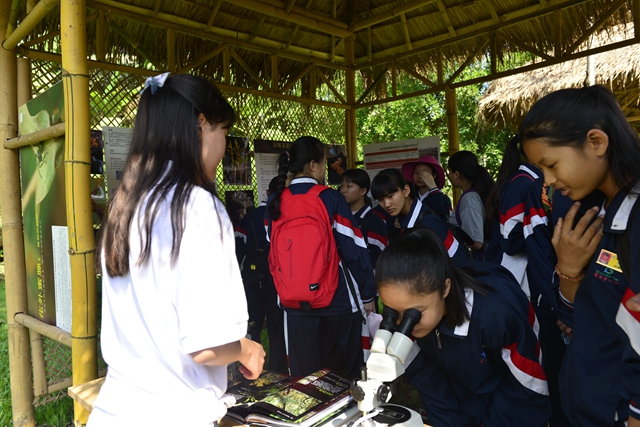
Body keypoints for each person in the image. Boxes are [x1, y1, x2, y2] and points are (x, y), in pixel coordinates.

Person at [90, 74, 265, 426]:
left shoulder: (126, 206)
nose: (223, 148)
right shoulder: (196, 206)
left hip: (113, 410)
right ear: (201, 126)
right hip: (172, 414)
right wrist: (248, 348)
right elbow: (207, 346)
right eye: (223, 132)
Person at [521, 84, 640, 427]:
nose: (548, 180)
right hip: (589, 403)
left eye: (551, 164)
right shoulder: (589, 211)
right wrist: (569, 270)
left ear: (596, 142)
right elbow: (585, 316)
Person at [376, 228, 551, 427]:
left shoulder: (495, 314)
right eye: (393, 312)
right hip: (464, 391)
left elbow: (527, 385)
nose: (404, 323)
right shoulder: (405, 311)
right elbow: (428, 381)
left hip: (511, 401)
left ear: (445, 288)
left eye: (414, 314)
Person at [265, 136, 376, 379]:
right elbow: (353, 249)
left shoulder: (276, 201)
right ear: (313, 165)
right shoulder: (329, 198)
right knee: (353, 365)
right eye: (325, 163)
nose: (325, 168)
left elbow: (272, 246)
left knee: (305, 374)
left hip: (292, 301)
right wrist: (367, 294)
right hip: (337, 298)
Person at [484, 135, 572, 427]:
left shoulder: (528, 180)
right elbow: (510, 239)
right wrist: (544, 234)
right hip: (524, 280)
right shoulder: (525, 183)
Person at [235, 176, 287, 373]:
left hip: (252, 280)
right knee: (276, 325)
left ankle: (249, 366)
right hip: (277, 281)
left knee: (253, 323)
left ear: (267, 193)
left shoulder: (249, 217)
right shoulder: (284, 216)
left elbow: (238, 249)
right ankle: (278, 368)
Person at [371, 168, 467, 258]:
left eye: (390, 196)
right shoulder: (400, 220)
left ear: (406, 191)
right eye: (381, 199)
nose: (386, 204)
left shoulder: (428, 222)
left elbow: (458, 258)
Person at [447, 150, 495, 254]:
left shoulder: (469, 198)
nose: (449, 175)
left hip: (479, 260)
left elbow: (476, 242)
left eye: (449, 172)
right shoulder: (479, 192)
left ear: (456, 174)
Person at [340, 168, 388, 269]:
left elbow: (378, 255)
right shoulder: (341, 217)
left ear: (363, 191)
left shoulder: (373, 220)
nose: (343, 190)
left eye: (349, 186)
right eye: (342, 185)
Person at [401, 155, 452, 222]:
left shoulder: (442, 199)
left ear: (434, 175)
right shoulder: (410, 197)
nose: (419, 176)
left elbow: (443, 217)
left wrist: (434, 189)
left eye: (424, 173)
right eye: (416, 172)